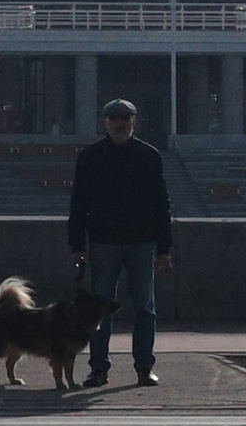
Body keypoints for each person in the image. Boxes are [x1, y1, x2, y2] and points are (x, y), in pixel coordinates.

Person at [67, 97, 173, 387]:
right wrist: (77, 245)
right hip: (104, 242)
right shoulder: (90, 157)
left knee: (145, 309)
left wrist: (164, 248)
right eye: (114, 119)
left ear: (134, 122)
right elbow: (79, 203)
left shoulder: (149, 156)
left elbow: (161, 203)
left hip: (141, 242)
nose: (119, 124)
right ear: (105, 123)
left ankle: (144, 367)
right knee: (99, 310)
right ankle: (98, 368)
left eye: (124, 119)